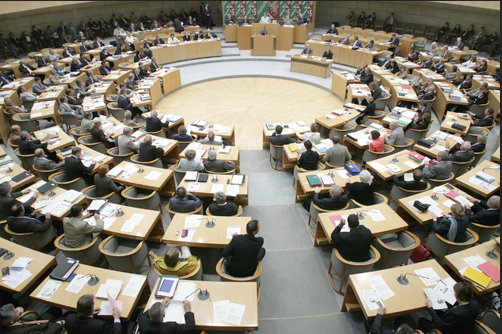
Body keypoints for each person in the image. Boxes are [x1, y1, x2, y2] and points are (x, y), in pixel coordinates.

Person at [0, 303, 65, 334]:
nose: (17, 310)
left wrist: (19, 311)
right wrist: (58, 324)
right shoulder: (22, 332)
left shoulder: (5, 322)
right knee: (68, 316)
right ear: (11, 321)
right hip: (48, 330)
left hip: (38, 324)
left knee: (55, 309)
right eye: (16, 312)